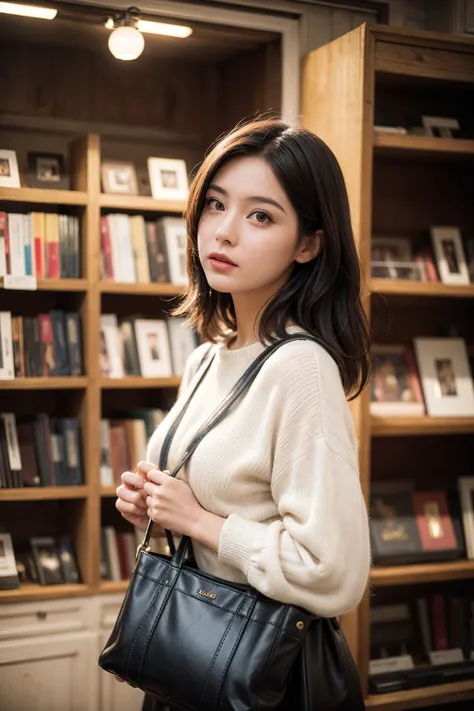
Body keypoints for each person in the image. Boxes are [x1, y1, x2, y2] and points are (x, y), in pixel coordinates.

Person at [115, 118, 372, 710]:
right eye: (215, 205)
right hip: (191, 659)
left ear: (309, 243)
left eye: (260, 216)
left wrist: (200, 522)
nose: (224, 233)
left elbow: (334, 572)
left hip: (264, 673)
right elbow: (218, 504)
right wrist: (152, 506)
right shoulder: (209, 357)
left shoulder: (300, 368)